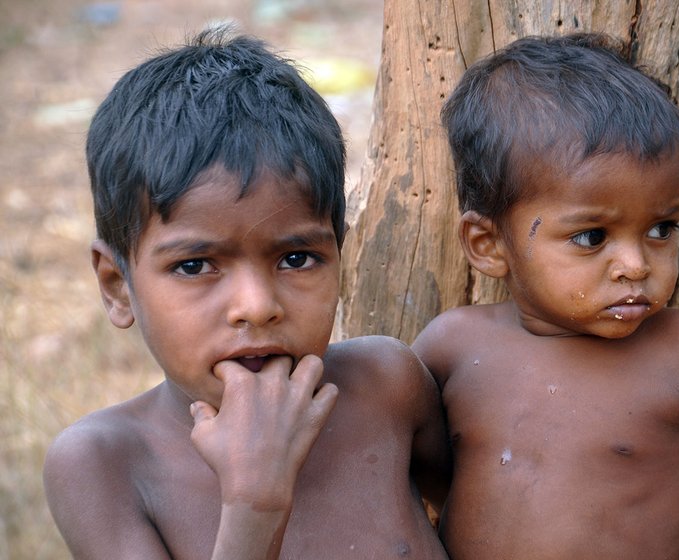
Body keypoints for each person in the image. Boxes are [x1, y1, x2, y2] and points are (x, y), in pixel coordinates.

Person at [42, 28, 450, 560]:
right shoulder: (105, 465)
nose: (257, 306)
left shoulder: (387, 387)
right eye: (194, 265)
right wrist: (254, 504)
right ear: (117, 287)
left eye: (296, 258)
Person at [412, 33, 679, 559]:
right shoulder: (451, 349)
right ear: (488, 245)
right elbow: (430, 484)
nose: (636, 265)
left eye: (662, 228)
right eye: (592, 237)